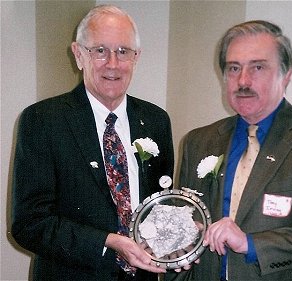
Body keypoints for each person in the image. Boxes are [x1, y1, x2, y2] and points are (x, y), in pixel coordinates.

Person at [165, 20, 292, 281]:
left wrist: (251, 244)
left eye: (258, 67)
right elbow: (182, 228)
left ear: (286, 73)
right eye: (234, 68)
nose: (243, 80)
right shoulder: (198, 141)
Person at [11, 5, 174, 281]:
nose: (113, 63)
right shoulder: (42, 121)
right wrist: (106, 242)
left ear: (136, 57)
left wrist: (176, 240)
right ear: (78, 55)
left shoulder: (156, 120)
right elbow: (29, 224)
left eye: (123, 51)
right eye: (100, 50)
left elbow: (162, 205)